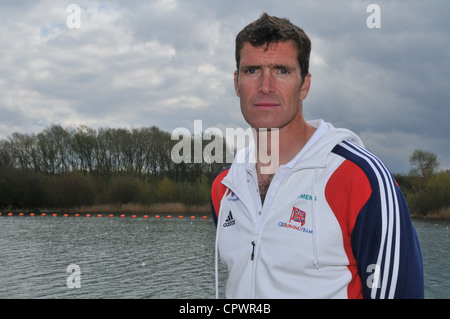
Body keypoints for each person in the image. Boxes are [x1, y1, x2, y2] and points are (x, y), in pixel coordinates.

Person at [210, 13, 424, 299]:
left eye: (282, 71)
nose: (265, 86)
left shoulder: (362, 179)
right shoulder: (224, 188)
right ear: (236, 83)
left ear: (305, 85)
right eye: (252, 71)